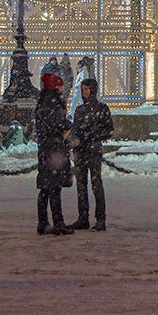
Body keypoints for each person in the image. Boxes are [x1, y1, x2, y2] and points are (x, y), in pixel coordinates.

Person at [70, 75, 115, 230]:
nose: (84, 92)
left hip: (93, 150)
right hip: (81, 151)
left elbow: (109, 130)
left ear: (93, 90)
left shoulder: (102, 109)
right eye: (83, 90)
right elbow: (75, 130)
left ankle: (100, 219)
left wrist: (93, 136)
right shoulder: (80, 110)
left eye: (87, 89)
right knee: (81, 186)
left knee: (96, 185)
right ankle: (83, 218)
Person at [34, 71, 73, 236]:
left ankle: (43, 223)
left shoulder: (42, 102)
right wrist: (68, 123)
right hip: (55, 150)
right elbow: (60, 124)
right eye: (60, 85)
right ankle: (58, 223)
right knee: (55, 187)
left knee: (45, 188)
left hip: (44, 149)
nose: (62, 88)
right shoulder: (54, 103)